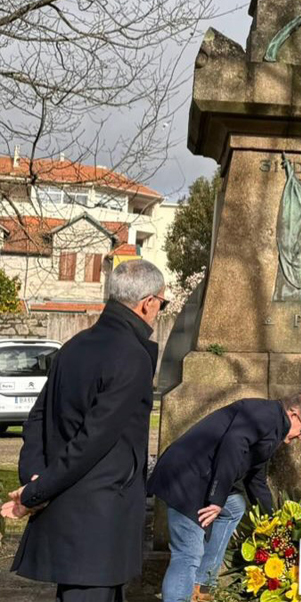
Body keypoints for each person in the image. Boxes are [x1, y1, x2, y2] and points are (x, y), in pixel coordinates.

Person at [0, 258, 166, 602]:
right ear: (147, 302)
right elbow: (93, 441)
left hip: (74, 512)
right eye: (162, 304)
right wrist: (34, 492)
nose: (159, 311)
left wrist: (34, 476)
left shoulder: (74, 345)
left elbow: (37, 418)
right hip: (100, 519)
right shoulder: (132, 356)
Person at [149, 392, 301, 602]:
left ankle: (200, 586)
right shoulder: (264, 414)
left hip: (203, 479)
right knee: (188, 552)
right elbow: (233, 445)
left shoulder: (272, 427)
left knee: (235, 507)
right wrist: (217, 500)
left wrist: (274, 522)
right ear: (293, 415)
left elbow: (256, 480)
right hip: (186, 477)